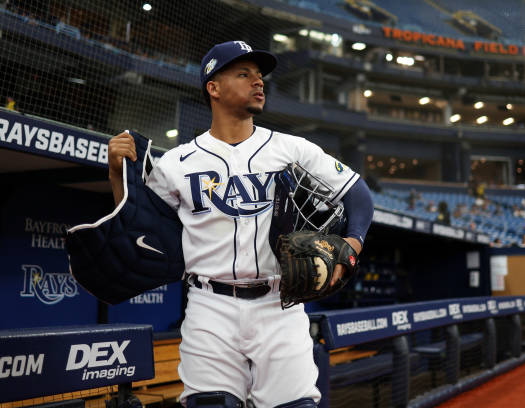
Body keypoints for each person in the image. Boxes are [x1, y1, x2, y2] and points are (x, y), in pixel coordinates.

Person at [107, 41, 374, 408]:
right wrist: (117, 175)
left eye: (260, 75)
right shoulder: (177, 163)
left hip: (280, 305)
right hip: (210, 307)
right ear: (213, 88)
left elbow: (358, 195)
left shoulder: (292, 149)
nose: (258, 81)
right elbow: (141, 230)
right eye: (244, 74)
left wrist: (350, 249)